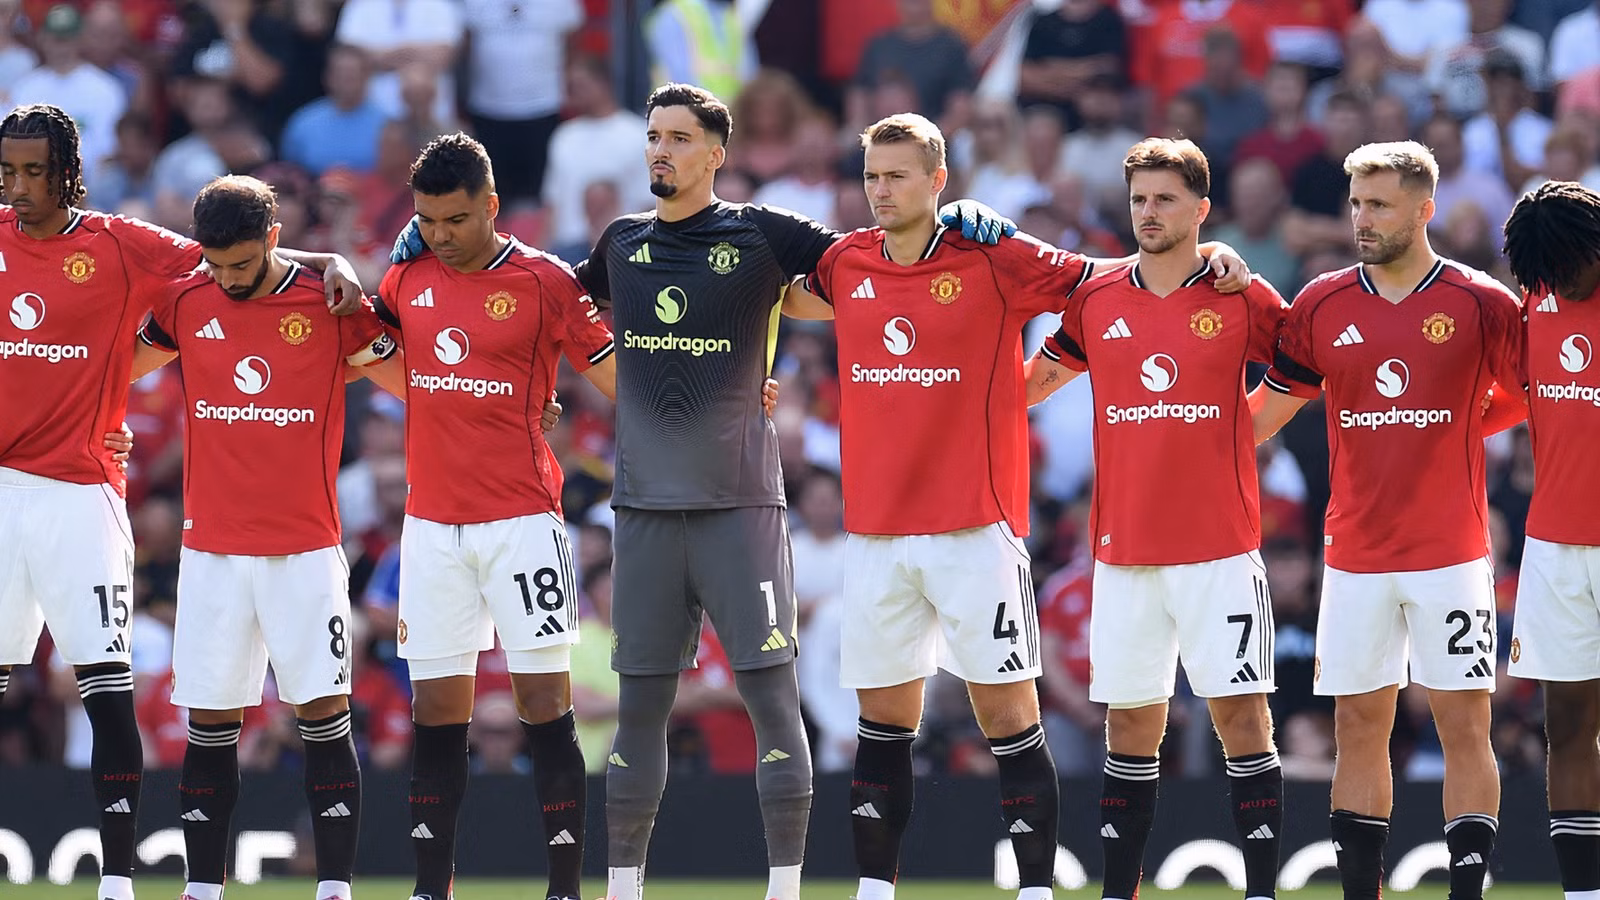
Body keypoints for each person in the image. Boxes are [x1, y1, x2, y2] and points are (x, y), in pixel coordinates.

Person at [388, 83, 1010, 900]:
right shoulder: (617, 245)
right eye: (653, 136)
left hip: (742, 506)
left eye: (679, 138)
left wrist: (957, 219)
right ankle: (619, 888)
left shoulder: (764, 235)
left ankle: (785, 888)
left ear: (716, 154)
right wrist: (414, 242)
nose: (660, 150)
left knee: (770, 700)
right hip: (643, 511)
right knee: (638, 711)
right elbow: (526, 303)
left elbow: (871, 262)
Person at [783, 121, 1253, 900]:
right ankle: (874, 889)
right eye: (872, 176)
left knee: (1007, 714)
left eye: (898, 176)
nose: (881, 190)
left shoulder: (991, 256)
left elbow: (1107, 279)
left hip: (975, 527)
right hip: (876, 534)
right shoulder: (846, 262)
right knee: (882, 724)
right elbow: (773, 300)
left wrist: (1204, 260)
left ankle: (1036, 889)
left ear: (938, 180)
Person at [0, 102, 361, 900]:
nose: (19, 187)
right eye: (8, 171)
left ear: (68, 170)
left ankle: (121, 880)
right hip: (15, 494)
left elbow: (222, 259)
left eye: (34, 171)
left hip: (81, 491)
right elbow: (220, 270)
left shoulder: (123, 245)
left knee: (108, 682)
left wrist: (324, 256)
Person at [1251, 141, 1524, 900]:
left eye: (1378, 205)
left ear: (1423, 208)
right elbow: (1264, 415)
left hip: (1453, 553)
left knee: (1464, 728)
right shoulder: (1320, 302)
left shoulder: (1480, 302)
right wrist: (1178, 434)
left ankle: (1466, 894)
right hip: (1355, 556)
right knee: (1358, 731)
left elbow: (1533, 392)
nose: (1361, 219)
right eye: (1355, 203)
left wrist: (1468, 423)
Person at [1020, 137, 1288, 900]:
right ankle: (1118, 893)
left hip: (1220, 549)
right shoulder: (1098, 299)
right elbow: (1036, 382)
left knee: (1243, 721)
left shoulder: (1241, 295)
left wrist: (1249, 426)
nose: (1148, 211)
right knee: (1132, 728)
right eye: (1139, 197)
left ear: (1202, 210)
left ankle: (1263, 890)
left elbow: (1311, 363)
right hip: (1125, 552)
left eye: (1165, 198)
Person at [128, 175, 402, 900]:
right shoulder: (187, 296)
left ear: (274, 239)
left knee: (322, 715)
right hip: (211, 551)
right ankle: (201, 888)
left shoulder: (330, 304)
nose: (228, 279)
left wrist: (335, 268)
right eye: (217, 266)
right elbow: (122, 368)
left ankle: (335, 887)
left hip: (306, 551)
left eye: (241, 266)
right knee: (211, 723)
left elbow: (407, 378)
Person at [372, 132, 620, 900]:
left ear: (491, 206)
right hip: (432, 526)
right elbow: (368, 348)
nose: (441, 235)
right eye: (428, 221)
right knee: (438, 710)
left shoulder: (545, 281)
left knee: (544, 703)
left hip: (522, 521)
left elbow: (619, 376)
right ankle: (429, 888)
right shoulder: (405, 275)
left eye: (455, 219)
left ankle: (564, 888)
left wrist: (723, 393)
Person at [1500, 179, 1600, 900]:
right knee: (1565, 723)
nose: (1561, 281)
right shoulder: (1535, 299)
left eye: (1571, 264)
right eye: (1548, 271)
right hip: (1556, 548)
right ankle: (1582, 894)